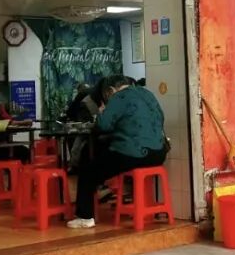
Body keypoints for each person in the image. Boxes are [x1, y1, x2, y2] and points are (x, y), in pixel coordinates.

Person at [69, 74, 167, 228]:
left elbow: (103, 125)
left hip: (134, 154)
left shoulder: (118, 97)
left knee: (88, 171)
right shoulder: (147, 93)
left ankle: (85, 217)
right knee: (106, 157)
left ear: (110, 91)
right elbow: (161, 117)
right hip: (159, 153)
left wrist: (102, 111)